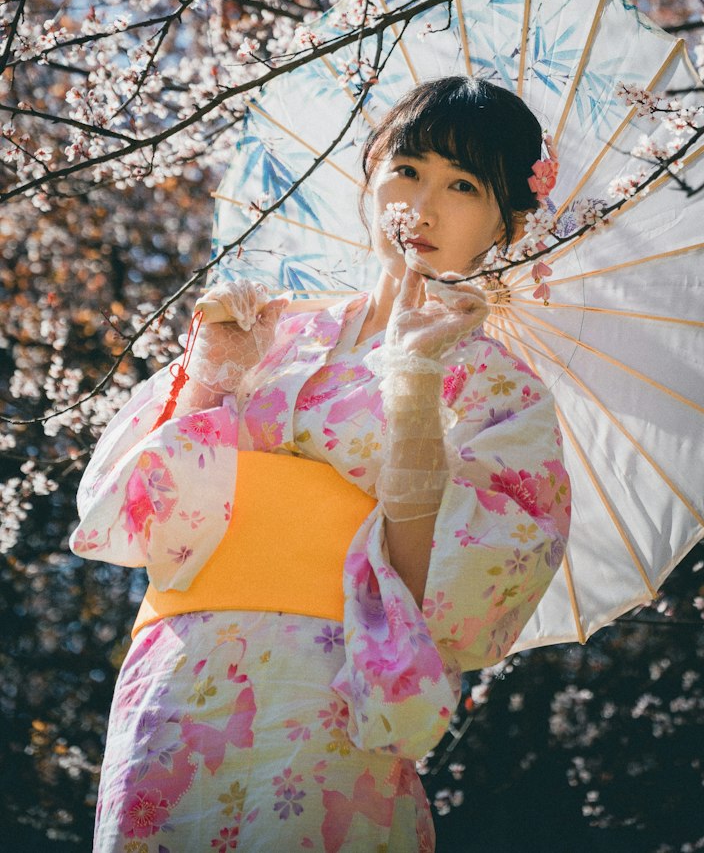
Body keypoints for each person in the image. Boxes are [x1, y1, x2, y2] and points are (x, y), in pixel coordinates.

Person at [71, 77, 571, 852]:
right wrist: (210, 376)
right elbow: (136, 517)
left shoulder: (496, 386)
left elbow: (457, 594)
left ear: (504, 225)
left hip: (332, 688)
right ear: (369, 175)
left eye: (463, 185)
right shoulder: (276, 333)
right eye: (407, 169)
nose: (423, 204)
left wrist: (413, 395)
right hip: (179, 676)